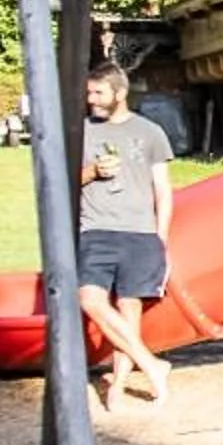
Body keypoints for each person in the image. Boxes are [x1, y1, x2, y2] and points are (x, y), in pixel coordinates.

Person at [78, 62, 176, 410]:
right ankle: (151, 365)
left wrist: (160, 239)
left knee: (128, 308)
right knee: (89, 299)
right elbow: (62, 179)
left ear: (119, 93)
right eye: (89, 93)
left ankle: (118, 385)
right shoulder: (81, 131)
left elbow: (163, 190)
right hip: (95, 230)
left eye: (98, 92)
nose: (91, 99)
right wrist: (92, 171)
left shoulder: (150, 132)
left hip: (139, 233)